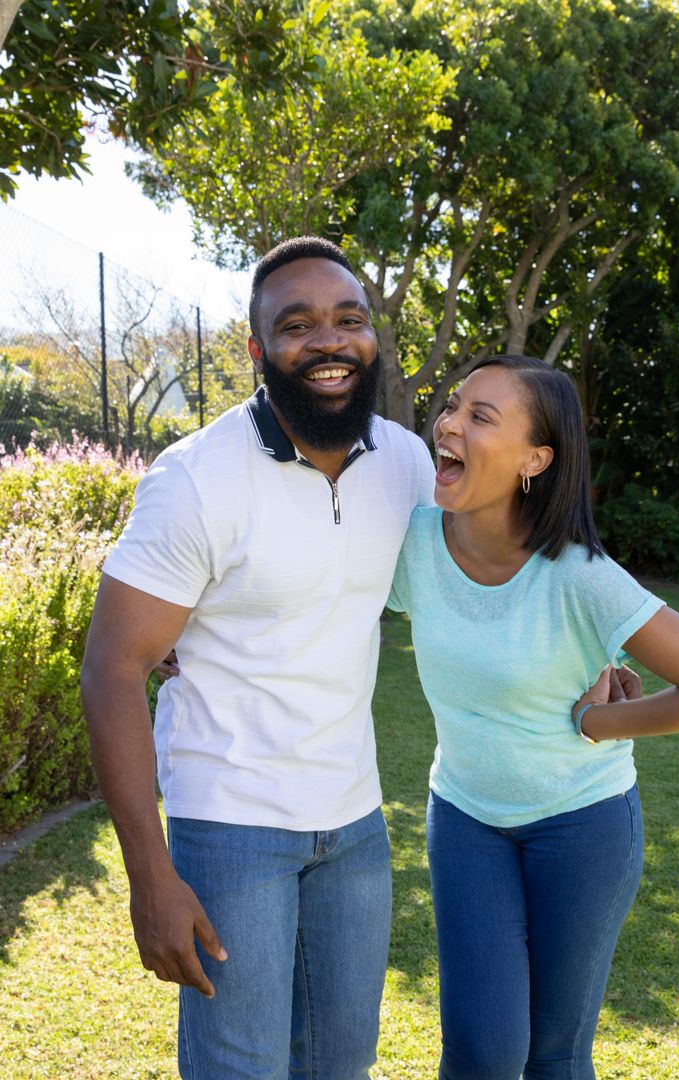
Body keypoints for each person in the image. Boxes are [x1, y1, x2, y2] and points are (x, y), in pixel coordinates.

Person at [80, 236, 436, 1080]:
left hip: (354, 824)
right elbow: (113, 668)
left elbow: (475, 589)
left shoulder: (406, 462)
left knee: (342, 1064)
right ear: (256, 351)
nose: (329, 342)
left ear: (373, 339)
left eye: (349, 320)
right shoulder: (196, 478)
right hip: (230, 825)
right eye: (297, 324)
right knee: (242, 1070)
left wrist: (591, 658)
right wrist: (149, 875)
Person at [387, 353, 679, 1080]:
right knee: (482, 1052)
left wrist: (600, 725)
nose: (448, 424)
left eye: (481, 416)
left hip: (583, 825)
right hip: (467, 819)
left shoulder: (579, 574)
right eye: (453, 407)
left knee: (554, 1056)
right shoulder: (409, 544)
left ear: (535, 459)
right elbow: (312, 593)